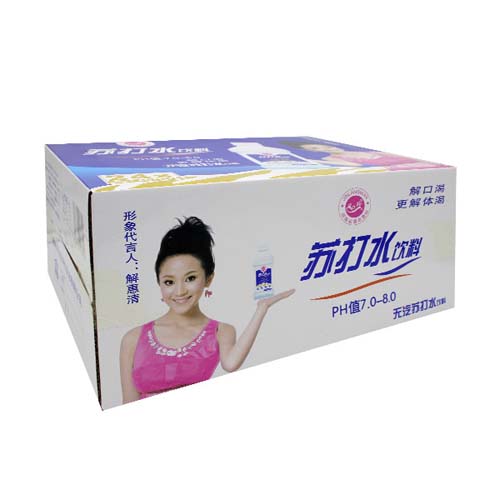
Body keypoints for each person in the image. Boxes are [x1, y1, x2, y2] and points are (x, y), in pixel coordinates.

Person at [120, 216, 295, 403]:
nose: (179, 291)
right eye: (169, 282)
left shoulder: (220, 332)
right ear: (159, 282)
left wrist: (262, 308)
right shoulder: (133, 339)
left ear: (208, 279)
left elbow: (231, 364)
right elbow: (128, 403)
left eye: (190, 278)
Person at [280, 141, 418, 167]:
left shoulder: (364, 150)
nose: (323, 148)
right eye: (315, 149)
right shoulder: (332, 159)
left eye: (318, 145)